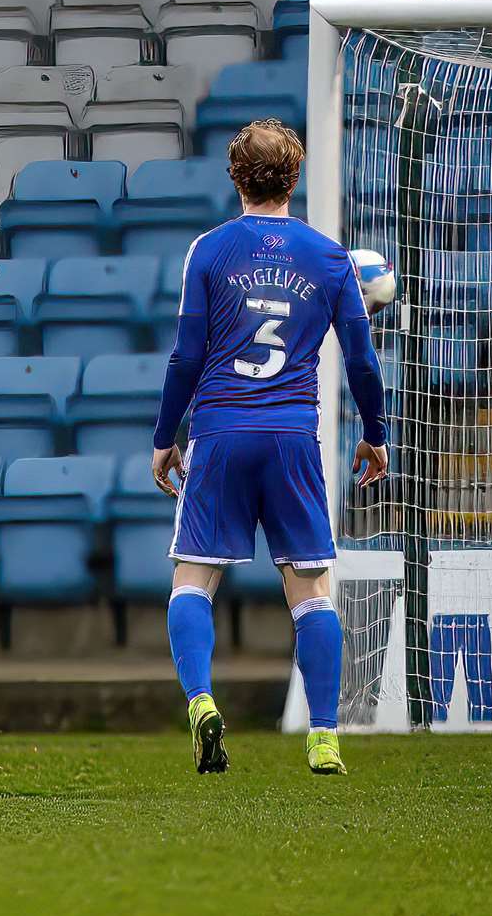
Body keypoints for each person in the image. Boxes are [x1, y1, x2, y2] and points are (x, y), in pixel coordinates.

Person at [151, 118, 388, 777]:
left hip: (222, 432)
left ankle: (201, 701)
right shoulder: (329, 257)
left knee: (193, 579)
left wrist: (164, 439)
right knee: (310, 589)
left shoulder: (209, 250)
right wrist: (375, 433)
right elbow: (363, 363)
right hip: (291, 437)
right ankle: (323, 735)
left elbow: (186, 357)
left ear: (236, 177)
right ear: (295, 176)